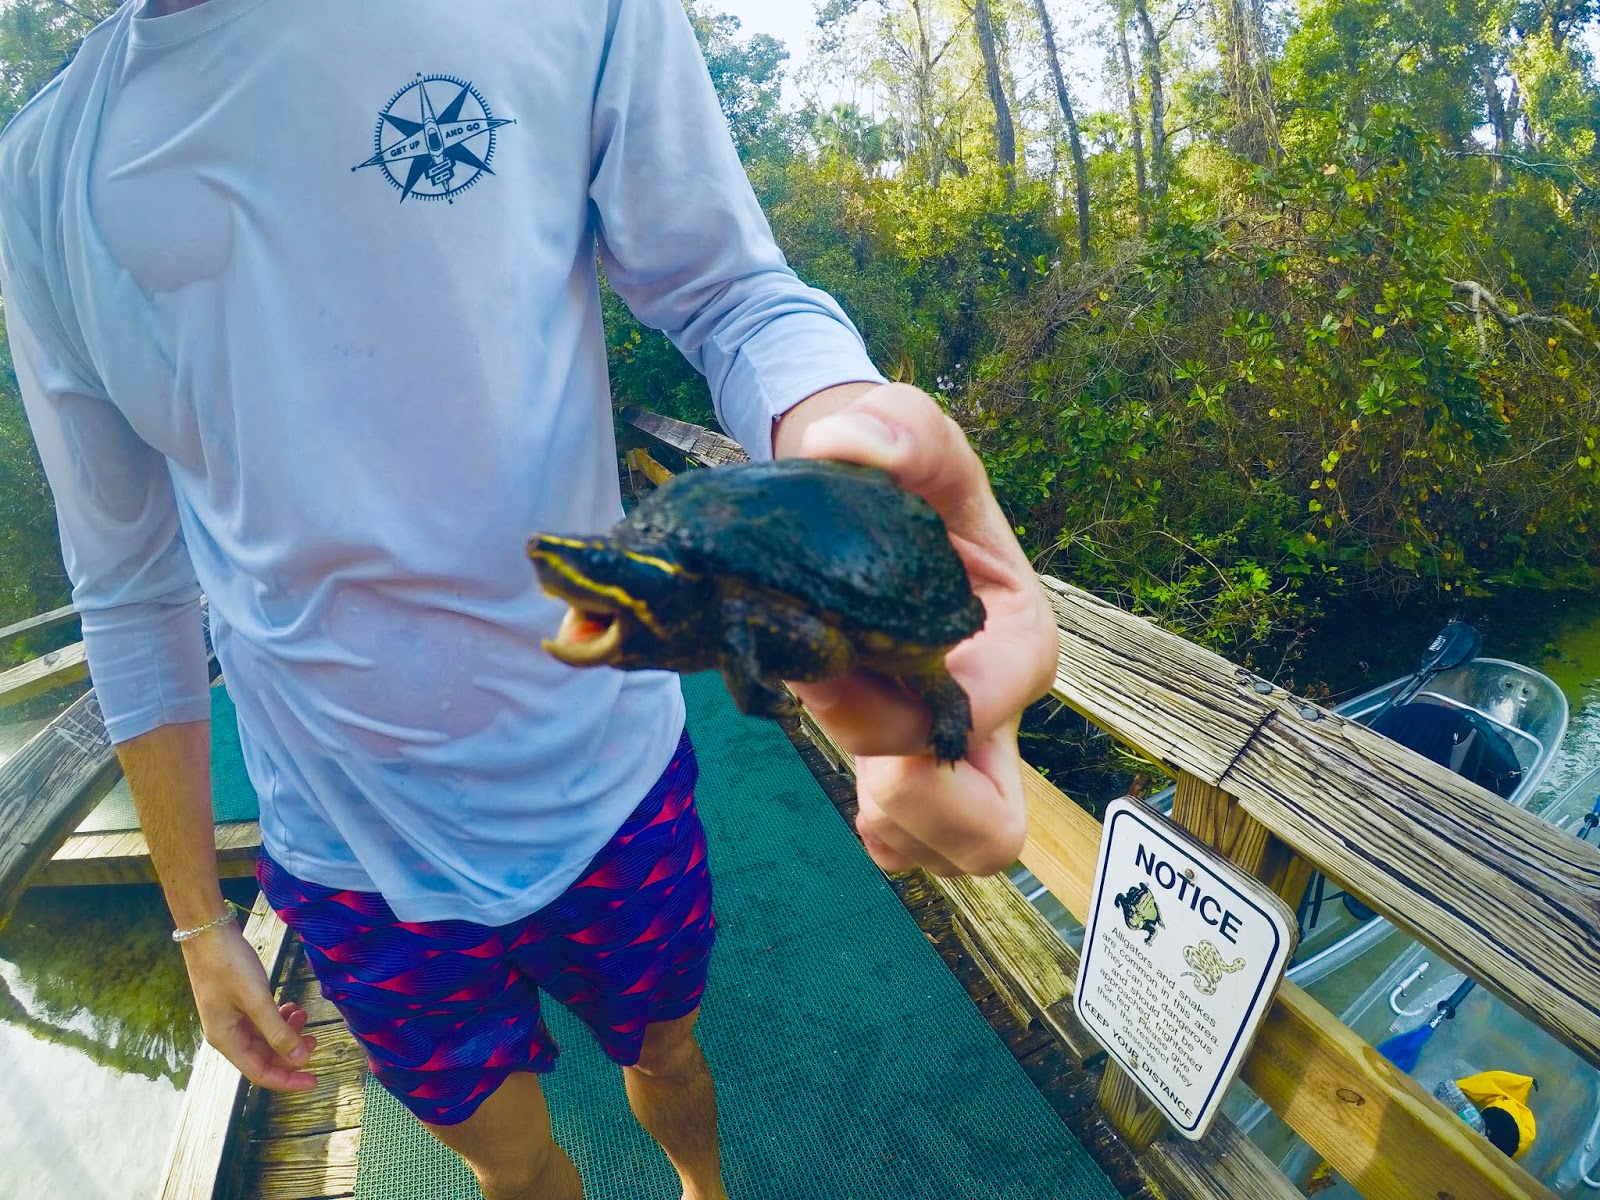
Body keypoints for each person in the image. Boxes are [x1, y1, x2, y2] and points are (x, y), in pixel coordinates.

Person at [0, 2, 1055, 1197]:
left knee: (669, 1052)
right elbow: (128, 592)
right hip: (343, 849)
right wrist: (198, 923)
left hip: (612, 777)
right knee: (511, 1170)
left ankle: (704, 1191)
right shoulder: (41, 173)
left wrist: (842, 436)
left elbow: (729, 290)